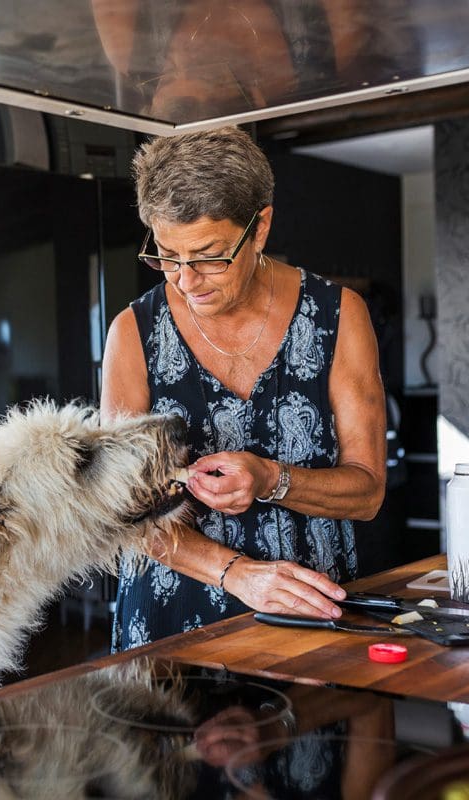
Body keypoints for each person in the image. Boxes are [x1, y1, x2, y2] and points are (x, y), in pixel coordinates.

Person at [104, 126, 386, 650]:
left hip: (308, 613)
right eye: (167, 255)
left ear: (260, 229)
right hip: (172, 625)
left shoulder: (339, 316)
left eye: (210, 256)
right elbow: (124, 511)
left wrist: (272, 479)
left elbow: (367, 492)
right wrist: (237, 573)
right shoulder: (132, 334)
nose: (186, 281)